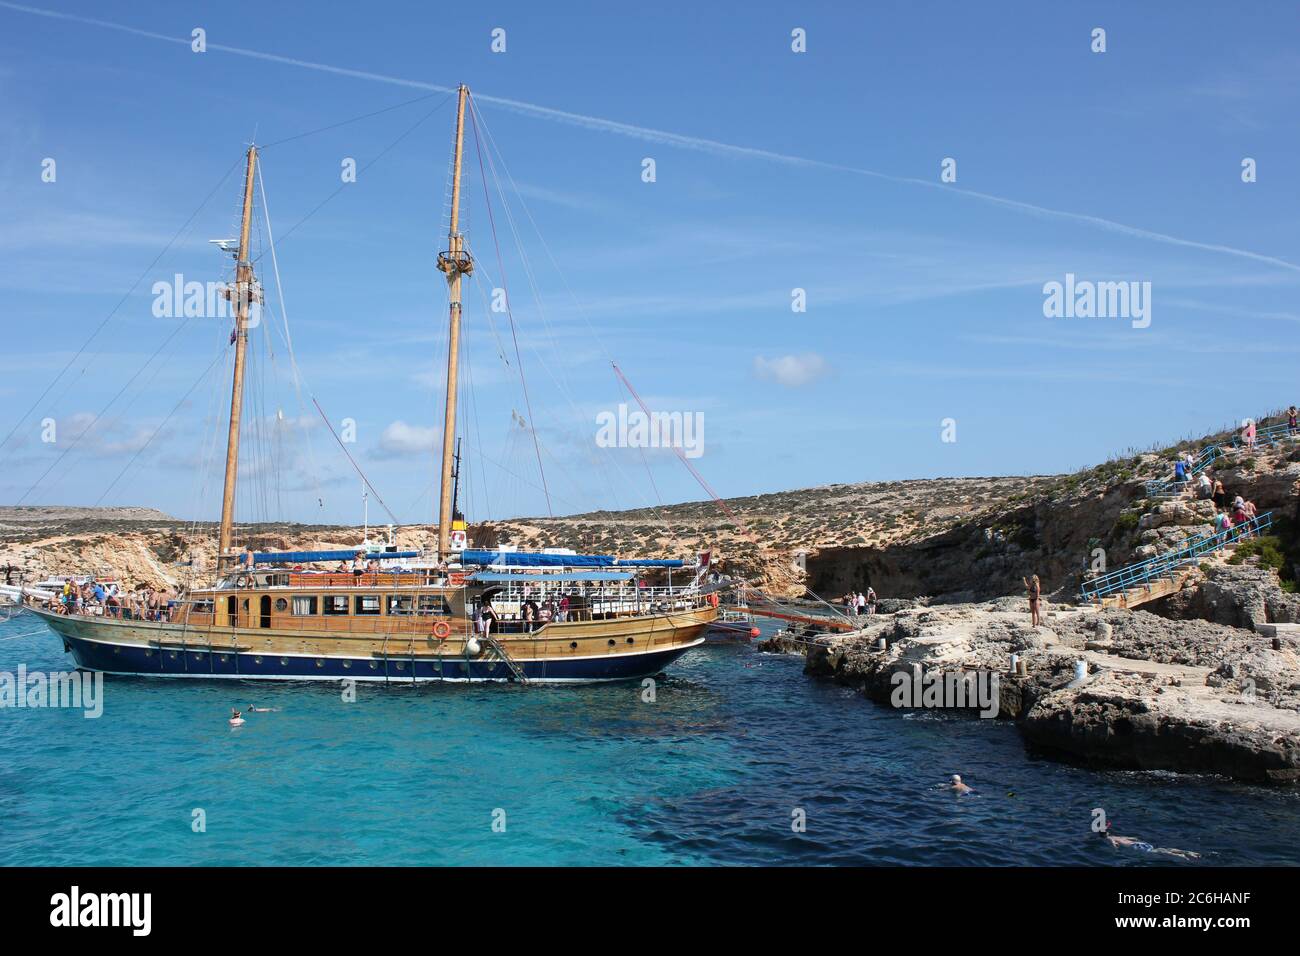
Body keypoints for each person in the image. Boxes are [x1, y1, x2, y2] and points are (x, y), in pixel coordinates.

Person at [1097, 824, 1199, 860]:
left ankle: (1179, 856)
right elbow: (1133, 838)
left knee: (1157, 852)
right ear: (1107, 832)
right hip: (1141, 843)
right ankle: (1187, 852)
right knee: (1161, 849)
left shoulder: (1109, 838)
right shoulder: (1118, 836)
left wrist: (1116, 851)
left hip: (1136, 847)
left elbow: (1114, 845)